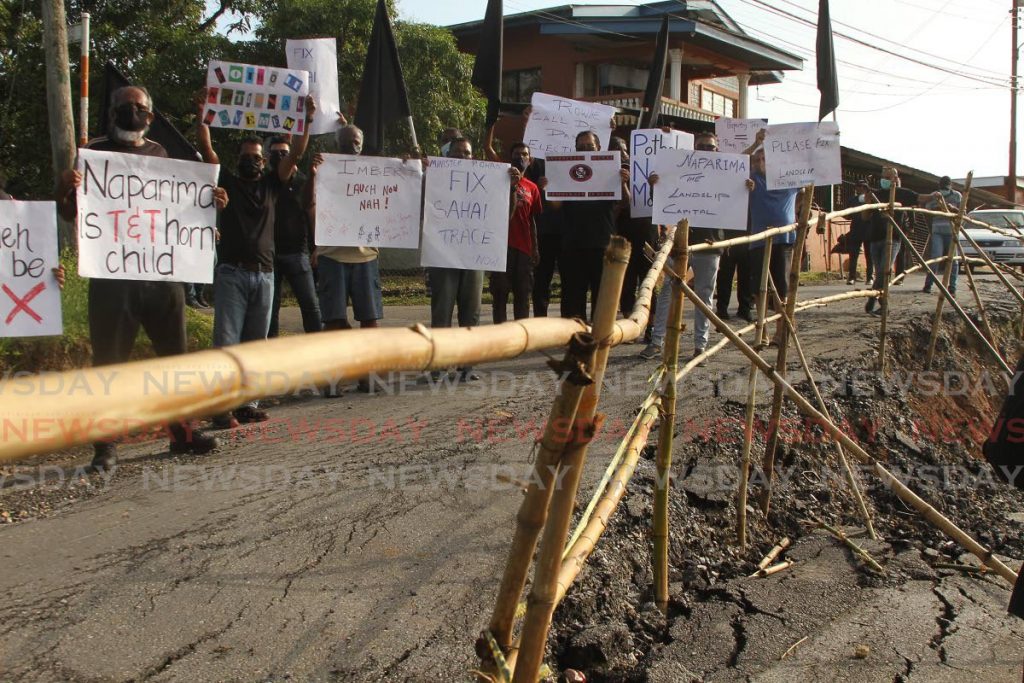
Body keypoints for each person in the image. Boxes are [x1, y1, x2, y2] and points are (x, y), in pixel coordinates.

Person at [57, 85, 224, 471]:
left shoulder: (161, 156)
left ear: (151, 116)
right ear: (111, 112)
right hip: (113, 280)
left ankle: (182, 434)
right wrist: (65, 187)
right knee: (110, 364)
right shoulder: (93, 154)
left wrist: (210, 206)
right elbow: (70, 213)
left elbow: (179, 212)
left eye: (140, 107)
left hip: (163, 278)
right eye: (124, 106)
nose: (132, 112)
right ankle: (106, 446)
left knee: (174, 361)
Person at [196, 89, 316, 425]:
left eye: (258, 157)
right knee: (227, 342)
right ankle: (220, 407)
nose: (252, 161)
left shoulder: (272, 187)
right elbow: (207, 149)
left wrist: (305, 120)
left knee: (255, 344)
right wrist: (203, 112)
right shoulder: (227, 184)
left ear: (265, 162)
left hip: (265, 274)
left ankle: (247, 403)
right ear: (239, 159)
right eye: (247, 156)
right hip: (232, 273)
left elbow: (297, 155)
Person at [642, 131, 752, 360]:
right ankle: (656, 342)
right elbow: (663, 199)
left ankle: (700, 345)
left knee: (704, 296)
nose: (706, 150)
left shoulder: (726, 174)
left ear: (717, 149)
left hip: (710, 244)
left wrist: (745, 188)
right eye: (701, 146)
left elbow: (735, 203)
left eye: (710, 147)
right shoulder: (678, 169)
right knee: (667, 293)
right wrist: (655, 184)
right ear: (694, 148)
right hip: (678, 242)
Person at [311, 123, 389, 395]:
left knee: (369, 320)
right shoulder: (323, 170)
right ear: (337, 144)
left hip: (365, 256)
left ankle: (368, 376)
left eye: (356, 141)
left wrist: (407, 169)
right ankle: (332, 380)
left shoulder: (375, 171)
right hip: (332, 256)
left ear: (362, 143)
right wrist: (314, 175)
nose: (351, 146)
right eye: (346, 141)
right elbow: (312, 208)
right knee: (333, 321)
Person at [426, 137, 486, 381]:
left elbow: (503, 213)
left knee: (471, 311)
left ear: (473, 156)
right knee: (442, 311)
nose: (462, 157)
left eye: (467, 153)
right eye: (457, 152)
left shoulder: (486, 181)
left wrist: (511, 186)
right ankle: (438, 366)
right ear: (447, 155)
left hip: (474, 255)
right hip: (443, 254)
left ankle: (467, 365)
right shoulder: (434, 178)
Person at [554, 130, 630, 322]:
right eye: (581, 147)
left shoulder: (610, 169)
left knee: (602, 295)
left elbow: (625, 202)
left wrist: (622, 182)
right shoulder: (565, 169)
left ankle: (599, 338)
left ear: (598, 148)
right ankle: (574, 338)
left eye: (590, 147)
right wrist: (549, 189)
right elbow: (555, 206)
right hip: (573, 243)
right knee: (573, 295)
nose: (585, 150)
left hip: (602, 242)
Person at [266, 135, 322, 337]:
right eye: (275, 153)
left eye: (284, 153)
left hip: (297, 253)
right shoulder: (265, 183)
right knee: (271, 308)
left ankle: (318, 347)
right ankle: (270, 351)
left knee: (310, 304)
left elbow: (311, 212)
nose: (280, 157)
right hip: (270, 256)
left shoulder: (302, 182)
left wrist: (317, 247)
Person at [863, 165, 934, 315]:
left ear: (896, 178)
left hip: (893, 239)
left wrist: (934, 195)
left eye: (889, 178)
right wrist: (867, 204)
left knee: (884, 271)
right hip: (875, 238)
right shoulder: (876, 194)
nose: (886, 180)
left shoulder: (902, 194)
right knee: (880, 272)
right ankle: (875, 297)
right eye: (884, 177)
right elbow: (865, 216)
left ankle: (881, 303)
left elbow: (920, 198)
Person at [747, 145, 799, 344]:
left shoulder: (789, 179)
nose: (760, 163)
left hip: (783, 241)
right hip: (759, 240)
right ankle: (763, 333)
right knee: (760, 288)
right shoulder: (753, 179)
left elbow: (812, 174)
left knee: (781, 288)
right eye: (757, 160)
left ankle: (781, 331)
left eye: (764, 159)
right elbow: (732, 166)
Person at [489, 142, 542, 323]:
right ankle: (500, 335)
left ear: (530, 160)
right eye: (517, 154)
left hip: (524, 249)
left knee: (523, 295)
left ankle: (521, 334)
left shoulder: (532, 188)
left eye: (525, 154)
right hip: (501, 248)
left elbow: (532, 219)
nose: (521, 158)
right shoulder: (496, 181)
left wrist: (535, 247)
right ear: (509, 157)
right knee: (500, 294)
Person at [922, 175, 963, 294]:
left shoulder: (957, 195)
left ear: (950, 186)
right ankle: (928, 284)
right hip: (937, 231)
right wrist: (938, 208)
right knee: (935, 258)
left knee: (953, 260)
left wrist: (952, 209)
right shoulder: (935, 195)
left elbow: (962, 212)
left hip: (952, 231)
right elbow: (928, 210)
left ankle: (952, 287)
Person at [845, 180, 874, 285]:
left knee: (869, 255)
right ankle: (851, 277)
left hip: (868, 230)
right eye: (857, 186)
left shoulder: (871, 199)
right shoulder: (852, 200)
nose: (858, 188)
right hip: (856, 230)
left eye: (860, 186)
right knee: (853, 255)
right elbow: (846, 215)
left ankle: (870, 277)